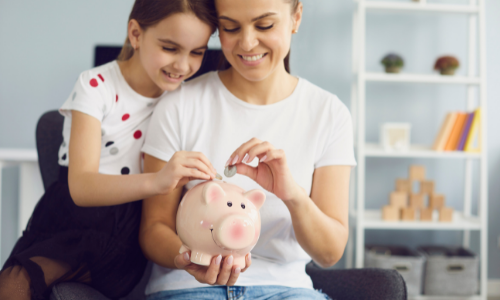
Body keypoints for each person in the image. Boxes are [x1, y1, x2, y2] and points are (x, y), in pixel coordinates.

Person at [0, 1, 218, 299]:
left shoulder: (185, 101)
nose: (183, 65)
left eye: (197, 52)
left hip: (126, 236)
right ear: (136, 34)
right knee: (13, 286)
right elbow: (81, 187)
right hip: (71, 220)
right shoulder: (95, 86)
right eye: (170, 48)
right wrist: (157, 181)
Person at [139, 0, 356, 299]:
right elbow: (154, 227)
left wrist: (291, 194)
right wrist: (188, 258)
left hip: (286, 289)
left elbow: (329, 252)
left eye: (265, 25)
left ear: (296, 17)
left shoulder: (328, 114)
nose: (247, 42)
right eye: (230, 28)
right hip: (187, 286)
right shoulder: (179, 106)